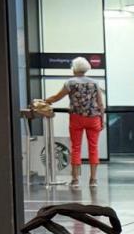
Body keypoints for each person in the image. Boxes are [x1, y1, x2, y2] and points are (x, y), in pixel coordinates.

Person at [44, 56, 104, 188]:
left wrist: (45, 101)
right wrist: (102, 119)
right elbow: (100, 103)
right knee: (93, 148)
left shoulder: (70, 83)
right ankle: (93, 180)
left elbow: (57, 97)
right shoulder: (95, 83)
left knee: (76, 148)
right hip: (93, 118)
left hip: (76, 118)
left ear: (74, 68)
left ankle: (75, 180)